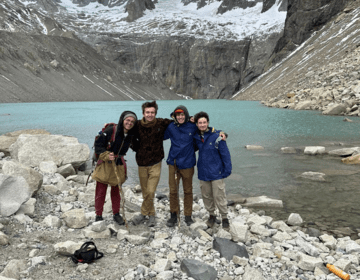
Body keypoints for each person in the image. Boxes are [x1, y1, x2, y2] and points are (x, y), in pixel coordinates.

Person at [164, 105, 227, 227]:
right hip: (174, 163)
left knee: (188, 191)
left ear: (186, 115)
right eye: (178, 115)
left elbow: (207, 131)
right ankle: (173, 214)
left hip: (188, 164)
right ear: (175, 116)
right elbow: (159, 135)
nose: (180, 117)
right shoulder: (171, 127)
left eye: (182, 114)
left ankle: (188, 215)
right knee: (173, 190)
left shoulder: (193, 126)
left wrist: (222, 133)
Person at [92, 111, 138, 225]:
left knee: (116, 191)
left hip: (118, 165)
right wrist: (106, 155)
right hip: (105, 164)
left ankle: (116, 214)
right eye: (127, 120)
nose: (129, 123)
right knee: (101, 191)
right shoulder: (111, 130)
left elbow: (137, 147)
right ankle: (98, 215)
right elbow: (98, 145)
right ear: (123, 119)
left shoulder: (131, 134)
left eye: (132, 121)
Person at [132, 101, 172, 227]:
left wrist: (191, 120)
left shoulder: (161, 123)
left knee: (150, 191)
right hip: (142, 163)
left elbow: (178, 122)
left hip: (156, 162)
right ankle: (151, 214)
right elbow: (124, 127)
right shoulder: (137, 125)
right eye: (147, 112)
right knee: (145, 192)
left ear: (155, 113)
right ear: (143, 113)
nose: (150, 115)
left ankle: (144, 214)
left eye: (152, 112)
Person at [193, 111, 232, 231]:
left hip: (216, 173)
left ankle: (225, 218)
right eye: (200, 123)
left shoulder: (217, 136)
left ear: (208, 123)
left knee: (219, 196)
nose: (202, 125)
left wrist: (227, 170)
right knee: (206, 196)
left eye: (204, 122)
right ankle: (212, 215)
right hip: (203, 173)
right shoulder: (196, 137)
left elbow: (225, 154)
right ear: (197, 124)